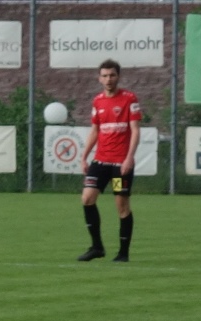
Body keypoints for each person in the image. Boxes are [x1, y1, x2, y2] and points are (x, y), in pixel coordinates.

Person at [78, 59, 141, 263]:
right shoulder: (97, 101)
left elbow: (135, 130)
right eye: (104, 76)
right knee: (87, 198)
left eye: (112, 75)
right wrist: (84, 156)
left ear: (118, 76)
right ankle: (97, 247)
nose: (108, 79)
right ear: (99, 78)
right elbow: (95, 131)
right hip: (100, 162)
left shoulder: (129, 99)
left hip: (119, 165)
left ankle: (123, 253)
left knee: (121, 205)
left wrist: (129, 158)